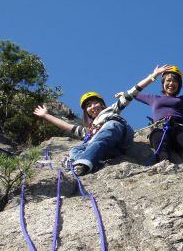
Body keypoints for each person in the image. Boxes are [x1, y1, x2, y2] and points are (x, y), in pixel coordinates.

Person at [34, 65, 171, 176]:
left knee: (110, 125)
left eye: (95, 103)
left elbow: (132, 92)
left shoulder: (112, 109)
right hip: (109, 150)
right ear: (86, 111)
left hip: (118, 134)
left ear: (102, 104)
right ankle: (88, 162)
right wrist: (46, 115)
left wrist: (153, 76)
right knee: (76, 149)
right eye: (88, 106)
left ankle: (83, 163)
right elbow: (67, 127)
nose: (92, 107)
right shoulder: (89, 130)